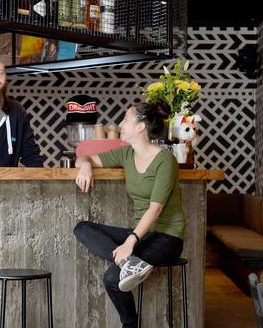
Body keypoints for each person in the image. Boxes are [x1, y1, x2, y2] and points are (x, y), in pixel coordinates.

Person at [73, 100, 185, 328]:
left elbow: (156, 209)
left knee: (112, 278)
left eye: (125, 119)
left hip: (167, 237)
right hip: (141, 234)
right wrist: (85, 165)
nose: (120, 124)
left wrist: (130, 242)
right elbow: (84, 157)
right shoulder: (126, 154)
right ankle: (130, 263)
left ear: (141, 127)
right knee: (82, 228)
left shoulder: (166, 161)